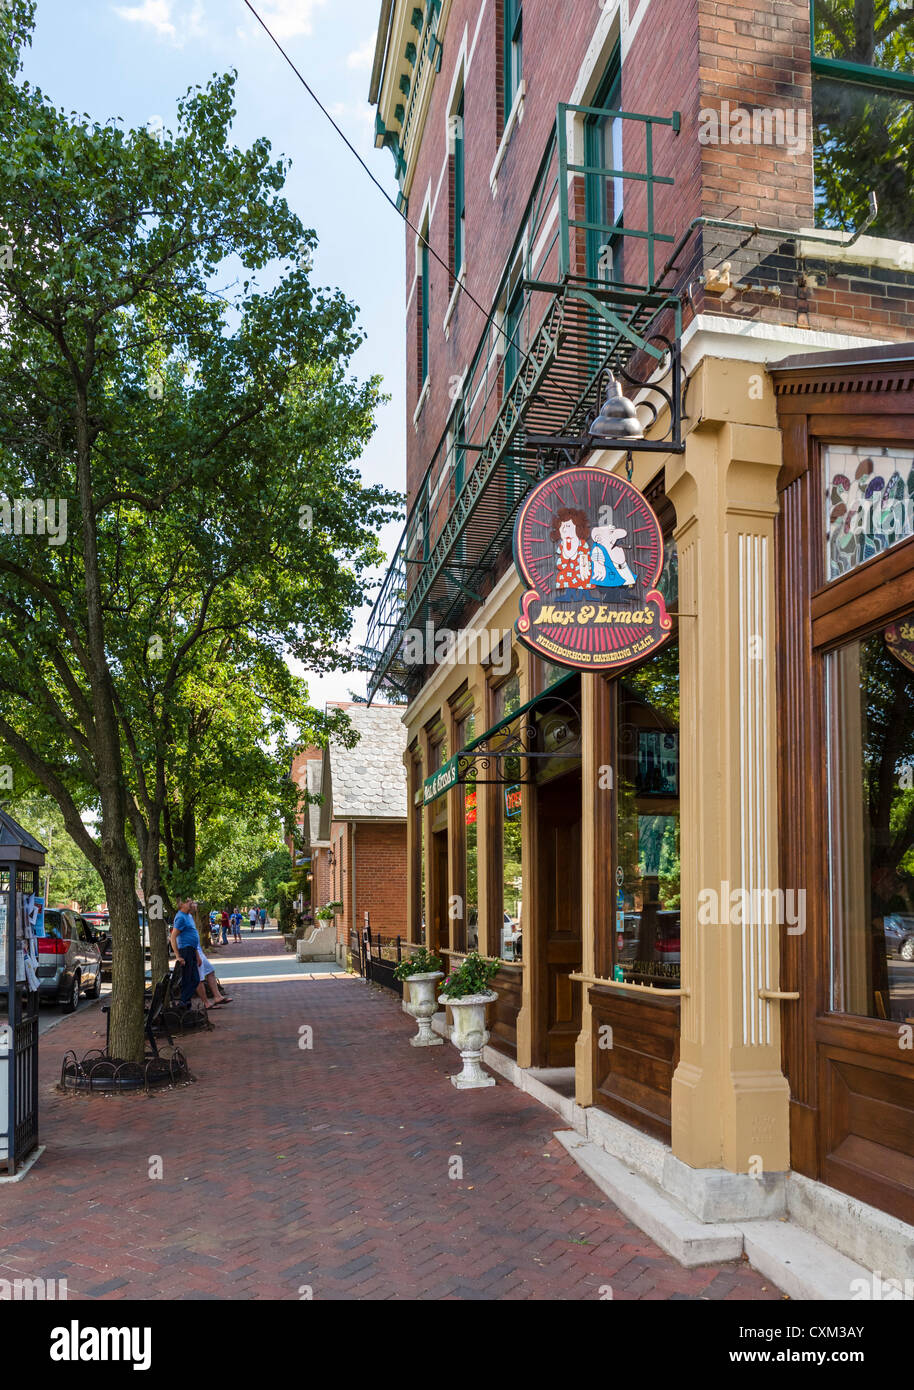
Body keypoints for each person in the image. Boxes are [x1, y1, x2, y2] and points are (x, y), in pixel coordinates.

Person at [169, 898, 216, 1009]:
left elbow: (192, 937)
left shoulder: (189, 916)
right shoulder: (180, 917)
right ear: (181, 904)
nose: (190, 903)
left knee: (195, 979)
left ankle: (185, 1002)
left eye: (191, 901)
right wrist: (177, 956)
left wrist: (197, 955)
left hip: (192, 950)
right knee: (188, 978)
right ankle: (183, 1002)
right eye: (188, 901)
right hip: (185, 951)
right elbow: (173, 937)